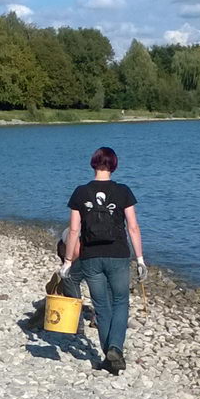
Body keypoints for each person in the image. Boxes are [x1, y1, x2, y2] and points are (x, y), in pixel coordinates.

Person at [58, 147, 146, 374]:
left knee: (102, 307)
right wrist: (140, 258)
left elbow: (75, 230)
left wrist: (68, 261)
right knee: (120, 302)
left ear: (93, 164)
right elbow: (133, 228)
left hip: (90, 257)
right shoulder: (123, 192)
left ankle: (109, 356)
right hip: (118, 254)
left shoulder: (80, 192)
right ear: (114, 165)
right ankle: (115, 347)